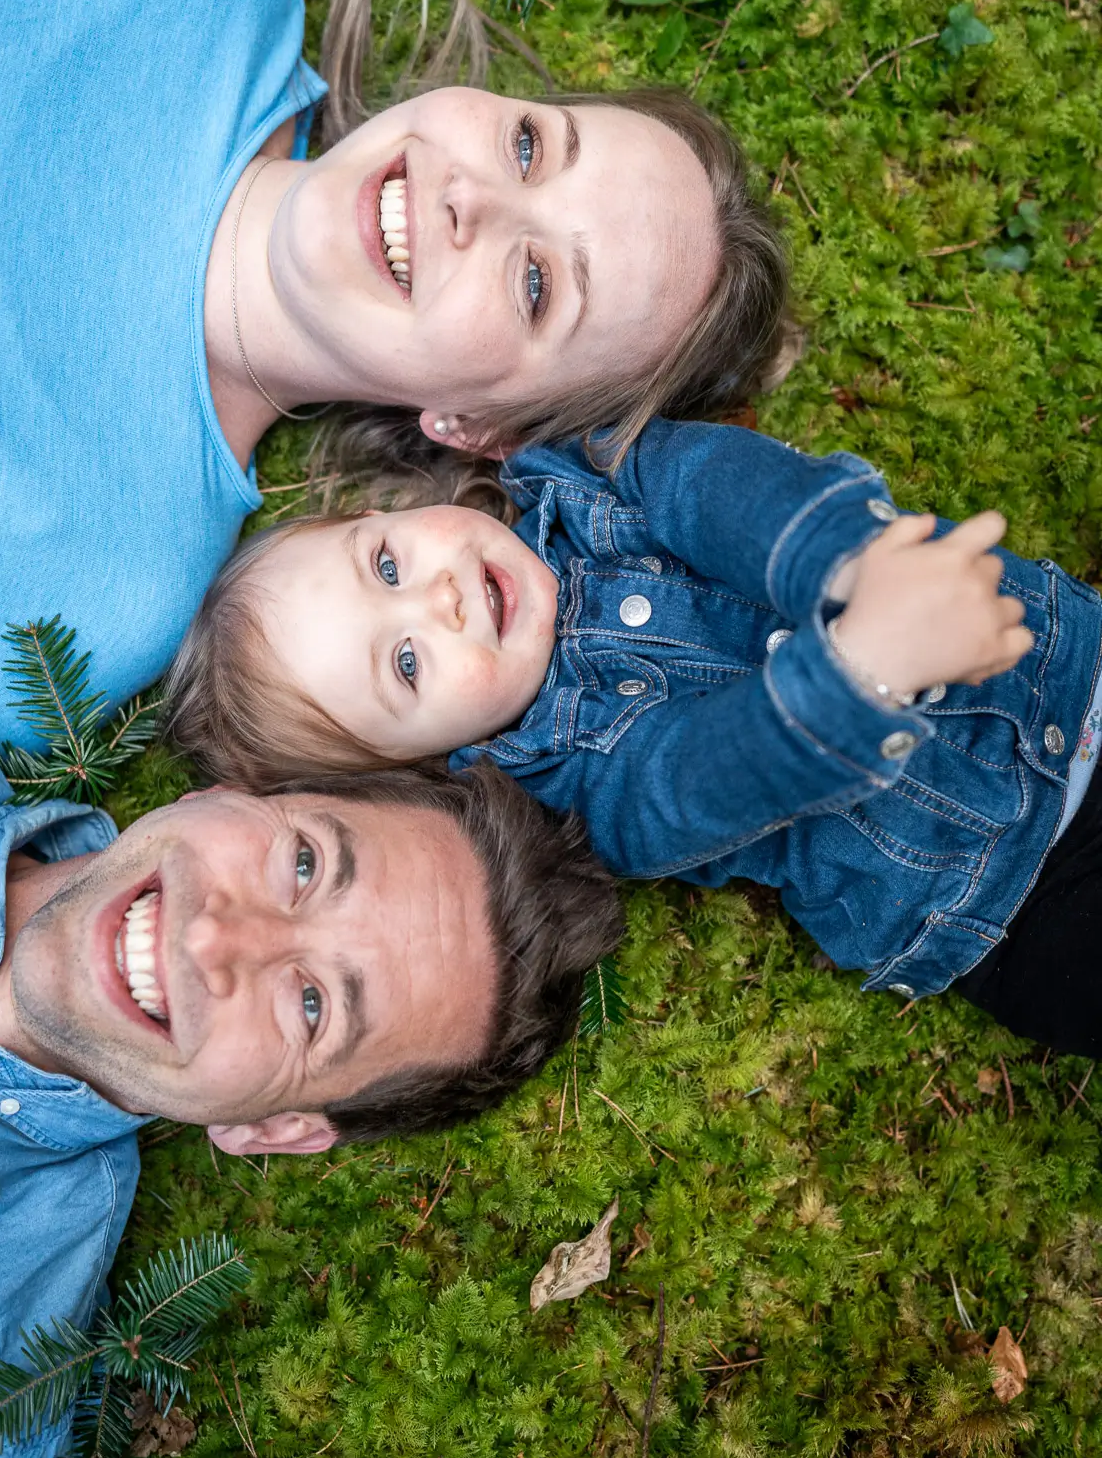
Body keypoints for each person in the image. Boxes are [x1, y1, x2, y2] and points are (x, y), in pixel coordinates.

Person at [0, 0, 789, 748]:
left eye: (537, 284)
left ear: (476, 426)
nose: (473, 199)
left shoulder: (85, 597)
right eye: (531, 148)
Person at [0, 576, 620, 1458]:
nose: (215, 940)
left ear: (279, 1128)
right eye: (303, 863)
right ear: (243, 789)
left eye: (313, 1006)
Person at [163, 417, 1102, 1060]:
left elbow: (725, 489)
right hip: (999, 893)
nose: (438, 598)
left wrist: (848, 571)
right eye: (406, 664)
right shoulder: (575, 795)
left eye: (387, 563)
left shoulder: (589, 481)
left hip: (1062, 665)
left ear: (388, 514)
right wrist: (861, 674)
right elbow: (705, 780)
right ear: (433, 772)